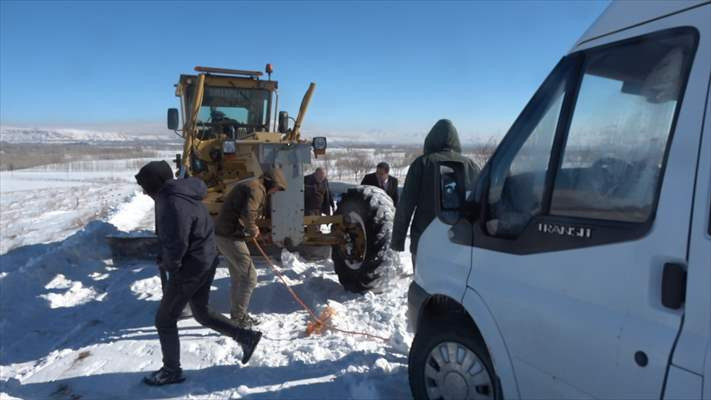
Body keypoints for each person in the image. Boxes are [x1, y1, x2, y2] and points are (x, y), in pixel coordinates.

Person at [135, 160, 262, 386]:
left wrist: (170, 263)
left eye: (145, 187)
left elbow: (177, 241)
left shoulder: (172, 202)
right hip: (205, 259)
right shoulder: (183, 194)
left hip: (191, 265)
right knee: (202, 313)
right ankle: (246, 336)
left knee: (164, 320)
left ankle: (171, 370)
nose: (144, 192)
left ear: (155, 184)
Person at [391, 120, 480, 270]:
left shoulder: (421, 164)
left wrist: (398, 240)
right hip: (460, 241)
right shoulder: (471, 165)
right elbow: (481, 203)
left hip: (425, 239)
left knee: (425, 286)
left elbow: (406, 205)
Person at [214, 168, 288, 328]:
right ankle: (239, 318)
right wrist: (253, 230)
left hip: (223, 234)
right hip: (229, 237)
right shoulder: (257, 188)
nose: (275, 192)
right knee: (250, 277)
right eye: (277, 188)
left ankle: (237, 315)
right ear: (271, 182)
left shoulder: (253, 184)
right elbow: (249, 212)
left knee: (238, 278)